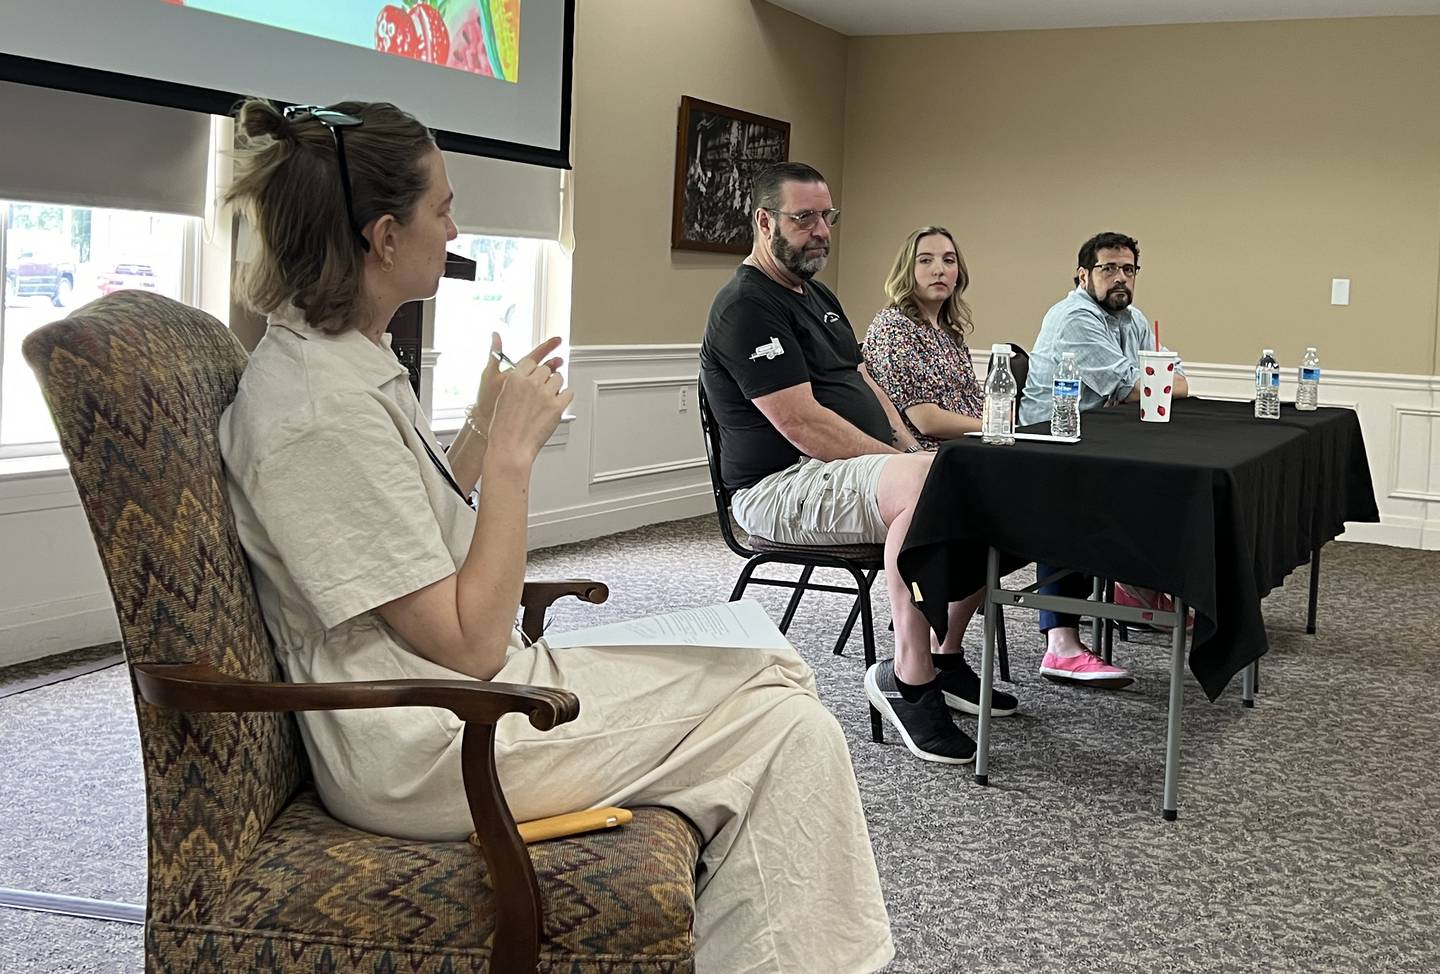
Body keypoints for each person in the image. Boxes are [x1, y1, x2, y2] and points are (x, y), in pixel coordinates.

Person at [217, 100, 893, 974]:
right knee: (784, 712)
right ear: (385, 237)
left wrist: (473, 434)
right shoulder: (318, 410)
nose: (456, 227)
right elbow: (466, 643)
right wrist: (508, 460)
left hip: (448, 699)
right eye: (443, 208)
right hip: (429, 739)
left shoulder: (340, 360)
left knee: (773, 684)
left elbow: (397, 536)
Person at [700, 163, 1016, 770]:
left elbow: (866, 381)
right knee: (928, 483)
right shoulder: (745, 306)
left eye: (827, 217)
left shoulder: (816, 294)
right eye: (804, 218)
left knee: (983, 481)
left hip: (849, 470)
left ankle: (946, 654)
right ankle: (909, 675)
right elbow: (803, 425)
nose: (821, 231)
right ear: (765, 222)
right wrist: (905, 464)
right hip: (778, 484)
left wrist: (908, 446)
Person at [1020, 232, 1191, 686]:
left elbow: (1178, 383)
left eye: (1128, 269)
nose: (1120, 277)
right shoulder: (1077, 316)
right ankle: (1060, 644)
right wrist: (1151, 384)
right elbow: (1137, 388)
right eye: (1108, 268)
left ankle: (1136, 590)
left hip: (1101, 439)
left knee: (1170, 475)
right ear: (1083, 275)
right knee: (1078, 498)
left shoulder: (1131, 318)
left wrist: (1153, 383)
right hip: (1049, 447)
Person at [862, 226, 985, 450]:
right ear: (907, 271)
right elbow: (926, 420)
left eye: (949, 261)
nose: (939, 270)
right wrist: (994, 427)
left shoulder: (950, 334)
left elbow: (975, 401)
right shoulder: (894, 328)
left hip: (973, 447)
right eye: (925, 261)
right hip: (928, 457)